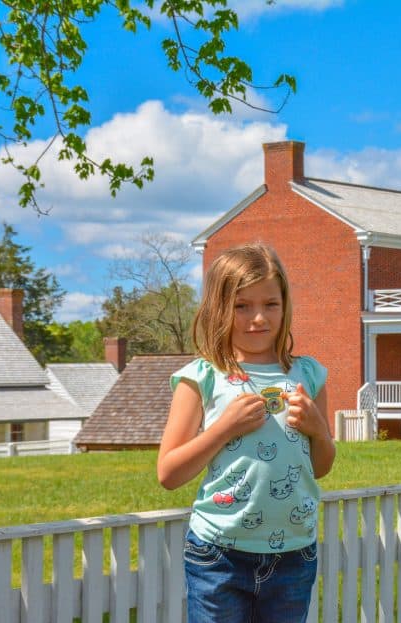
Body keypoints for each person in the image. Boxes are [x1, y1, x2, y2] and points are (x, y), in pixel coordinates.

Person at [157, 244, 336, 623]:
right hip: (218, 555)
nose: (258, 318)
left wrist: (319, 431)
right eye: (242, 306)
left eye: (270, 304)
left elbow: (320, 468)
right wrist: (225, 428)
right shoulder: (202, 376)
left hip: (295, 554)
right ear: (219, 308)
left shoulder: (308, 375)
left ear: (285, 305)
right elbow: (168, 473)